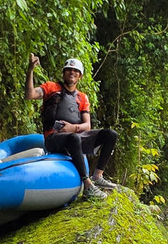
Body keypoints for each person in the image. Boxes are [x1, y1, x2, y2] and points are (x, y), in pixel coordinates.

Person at [25, 54, 120, 200]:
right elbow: (30, 94)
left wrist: (72, 127)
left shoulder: (82, 97)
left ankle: (97, 177)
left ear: (80, 76)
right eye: (69, 70)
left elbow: (87, 126)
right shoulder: (51, 87)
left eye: (75, 71)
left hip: (76, 136)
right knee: (74, 138)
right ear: (64, 73)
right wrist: (30, 69)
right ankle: (88, 186)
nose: (72, 73)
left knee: (110, 134)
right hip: (54, 138)